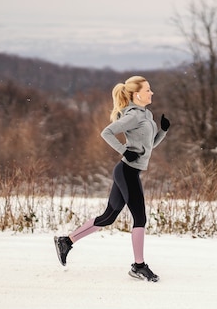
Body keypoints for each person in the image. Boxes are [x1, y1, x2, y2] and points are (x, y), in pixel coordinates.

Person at [54, 75, 170, 282]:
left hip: (129, 171)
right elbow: (106, 133)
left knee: (108, 218)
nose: (151, 92)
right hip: (127, 171)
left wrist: (163, 131)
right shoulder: (134, 116)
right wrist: (125, 150)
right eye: (148, 89)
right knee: (140, 218)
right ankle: (139, 266)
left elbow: (149, 145)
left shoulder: (147, 115)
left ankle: (66, 241)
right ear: (137, 94)